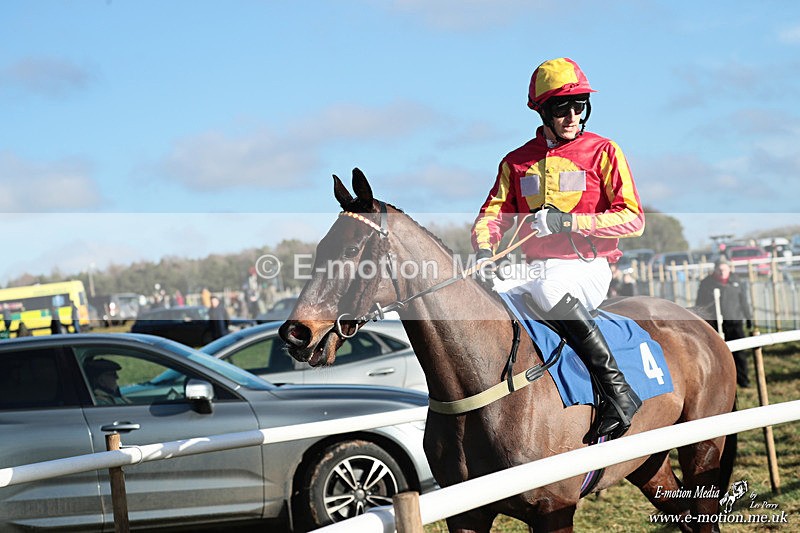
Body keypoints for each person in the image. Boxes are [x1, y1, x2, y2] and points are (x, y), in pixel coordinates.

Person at [471, 57, 646, 439]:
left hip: (588, 265)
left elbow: (633, 218)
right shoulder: (515, 162)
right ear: (542, 111)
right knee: (483, 296)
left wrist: (571, 222)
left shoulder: (604, 150)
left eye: (579, 104)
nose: (572, 115)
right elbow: (491, 215)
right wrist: (485, 251)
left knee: (550, 288)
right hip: (535, 267)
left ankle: (619, 392)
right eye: (561, 107)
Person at [696, 257, 753, 387]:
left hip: (735, 322)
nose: (722, 272)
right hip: (715, 324)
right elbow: (700, 304)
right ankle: (722, 382)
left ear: (729, 269)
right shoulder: (706, 283)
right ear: (715, 270)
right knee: (718, 354)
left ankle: (743, 380)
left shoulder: (736, 281)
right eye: (719, 269)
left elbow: (743, 301)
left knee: (740, 353)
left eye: (725, 269)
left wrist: (748, 318)